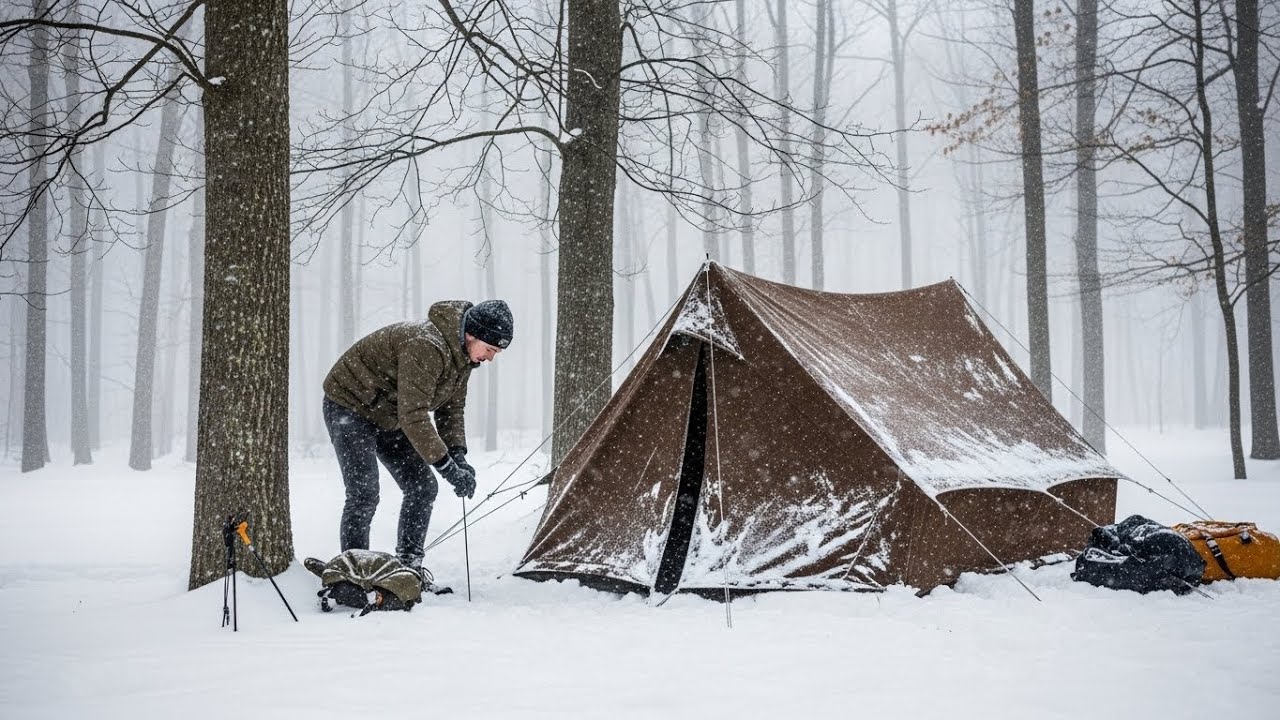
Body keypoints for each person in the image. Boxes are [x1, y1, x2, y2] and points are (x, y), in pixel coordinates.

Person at [322, 299, 513, 580]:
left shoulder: (463, 359)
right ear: (472, 334)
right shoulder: (427, 345)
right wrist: (448, 468)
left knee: (422, 487)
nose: (490, 358)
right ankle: (353, 574)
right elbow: (414, 415)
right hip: (350, 406)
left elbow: (451, 410)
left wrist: (458, 455)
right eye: (490, 349)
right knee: (364, 493)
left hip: (389, 413)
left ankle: (408, 569)